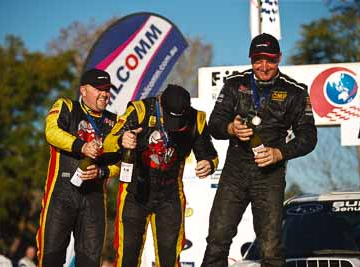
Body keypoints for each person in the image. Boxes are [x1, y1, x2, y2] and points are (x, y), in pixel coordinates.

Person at [201, 33, 317, 267]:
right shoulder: (234, 84)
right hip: (234, 173)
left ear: (279, 58)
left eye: (270, 60)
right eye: (258, 60)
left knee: (271, 247)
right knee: (217, 240)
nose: (264, 67)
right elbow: (213, 125)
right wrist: (231, 128)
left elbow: (309, 137)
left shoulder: (295, 92)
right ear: (250, 59)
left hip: (269, 175)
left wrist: (279, 153)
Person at [103, 84, 219, 267]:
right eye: (170, 119)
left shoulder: (196, 119)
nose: (175, 126)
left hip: (170, 197)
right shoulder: (139, 111)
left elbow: (210, 156)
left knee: (170, 259)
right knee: (127, 258)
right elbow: (108, 142)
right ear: (160, 104)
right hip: (135, 194)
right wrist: (121, 139)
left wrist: (208, 164)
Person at [36, 69, 121, 267]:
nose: (105, 94)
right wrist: (81, 146)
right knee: (51, 258)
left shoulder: (114, 121)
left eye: (108, 89)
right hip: (61, 195)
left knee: (90, 262)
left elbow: (120, 162)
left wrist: (103, 172)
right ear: (83, 90)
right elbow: (51, 132)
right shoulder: (66, 106)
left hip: (94, 200)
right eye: (99, 89)